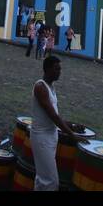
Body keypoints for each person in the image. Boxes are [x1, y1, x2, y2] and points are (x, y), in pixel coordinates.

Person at [30, 55, 77, 190]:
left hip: (51, 135)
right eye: (56, 69)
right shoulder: (40, 87)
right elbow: (53, 116)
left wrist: (70, 125)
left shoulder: (51, 86)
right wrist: (71, 134)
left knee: (42, 178)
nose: (59, 72)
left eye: (60, 69)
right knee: (51, 181)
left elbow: (54, 114)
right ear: (47, 69)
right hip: (41, 137)